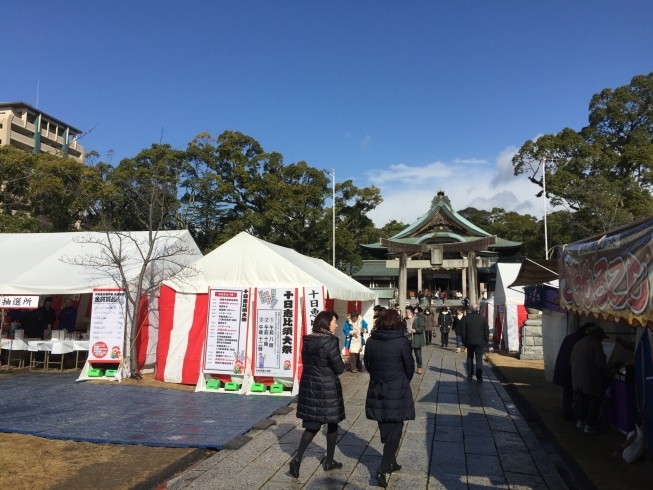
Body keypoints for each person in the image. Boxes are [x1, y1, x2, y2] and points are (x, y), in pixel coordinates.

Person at [364, 309, 415, 488]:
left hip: (378, 388)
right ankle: (383, 468)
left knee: (385, 426)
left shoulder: (370, 341)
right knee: (396, 429)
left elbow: (367, 364)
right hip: (396, 388)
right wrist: (402, 381)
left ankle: (391, 461)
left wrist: (378, 377)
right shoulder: (401, 342)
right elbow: (410, 367)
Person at [291, 311, 345, 478]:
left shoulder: (307, 340)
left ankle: (298, 457)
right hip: (328, 387)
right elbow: (339, 368)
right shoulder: (330, 341)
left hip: (310, 386)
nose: (336, 325)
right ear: (326, 323)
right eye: (334, 321)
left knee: (313, 424)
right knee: (332, 422)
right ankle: (329, 461)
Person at [571, 325, 608, 434]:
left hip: (578, 377)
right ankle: (590, 426)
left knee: (583, 400)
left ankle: (581, 421)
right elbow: (601, 364)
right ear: (598, 336)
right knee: (594, 402)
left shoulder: (578, 343)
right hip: (591, 378)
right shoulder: (596, 345)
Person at [553, 323, 591, 420]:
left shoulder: (570, 337)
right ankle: (575, 415)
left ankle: (568, 413)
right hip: (572, 370)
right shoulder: (580, 340)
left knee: (568, 392)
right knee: (576, 393)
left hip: (565, 368)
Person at [461, 303, 489, 382]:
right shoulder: (482, 319)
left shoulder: (466, 318)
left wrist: (464, 341)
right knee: (479, 359)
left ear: (471, 309)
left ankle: (470, 374)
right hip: (480, 341)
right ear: (478, 309)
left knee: (470, 357)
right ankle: (479, 377)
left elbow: (463, 331)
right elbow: (486, 331)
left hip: (469, 341)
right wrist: (485, 340)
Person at [403, 306, 425, 375]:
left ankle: (419, 367)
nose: (406, 313)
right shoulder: (404, 320)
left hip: (416, 340)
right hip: (407, 340)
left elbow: (422, 327)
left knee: (418, 355)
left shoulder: (418, 319)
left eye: (407, 312)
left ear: (411, 313)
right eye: (405, 312)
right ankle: (409, 367)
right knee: (408, 355)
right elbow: (403, 329)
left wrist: (416, 330)